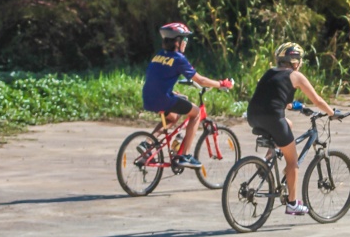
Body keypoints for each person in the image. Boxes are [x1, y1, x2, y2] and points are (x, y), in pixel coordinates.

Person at [246, 42, 338, 215]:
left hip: (253, 116)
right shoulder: (296, 76)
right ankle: (293, 203)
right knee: (293, 162)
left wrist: (297, 106)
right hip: (273, 118)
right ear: (295, 61)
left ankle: (267, 160)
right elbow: (317, 101)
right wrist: (332, 113)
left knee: (288, 124)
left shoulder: (270, 72)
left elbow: (276, 98)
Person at [142, 22, 233, 169]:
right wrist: (221, 84)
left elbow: (156, 79)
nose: (186, 43)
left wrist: (171, 92)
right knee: (196, 113)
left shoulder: (158, 55)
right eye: (185, 40)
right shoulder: (178, 58)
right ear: (177, 42)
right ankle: (183, 155)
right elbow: (201, 80)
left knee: (172, 116)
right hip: (163, 99)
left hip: (148, 97)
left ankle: (148, 143)